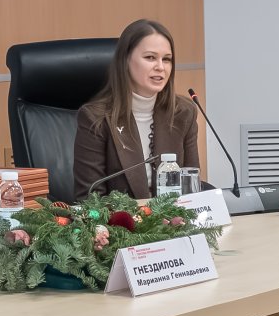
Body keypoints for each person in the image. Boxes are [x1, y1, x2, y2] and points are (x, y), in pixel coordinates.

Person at [71, 19, 200, 198]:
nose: (160, 67)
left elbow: (191, 190)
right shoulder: (95, 118)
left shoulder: (183, 113)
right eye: (150, 57)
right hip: (121, 216)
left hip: (174, 215)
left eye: (167, 59)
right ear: (125, 61)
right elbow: (91, 199)